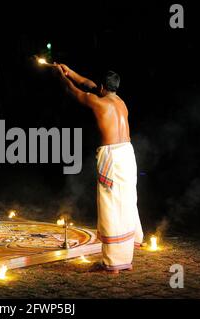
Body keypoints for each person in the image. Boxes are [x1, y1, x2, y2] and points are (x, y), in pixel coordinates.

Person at [55, 64, 143, 274]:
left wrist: (60, 76)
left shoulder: (98, 102)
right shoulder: (121, 102)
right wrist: (70, 71)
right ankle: (125, 254)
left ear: (102, 87)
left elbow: (74, 91)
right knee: (127, 200)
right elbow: (89, 84)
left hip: (112, 156)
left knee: (110, 204)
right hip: (128, 154)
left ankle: (112, 263)